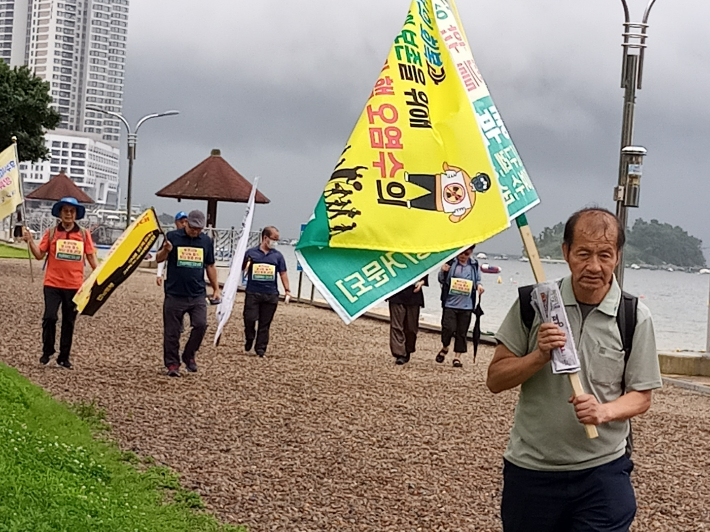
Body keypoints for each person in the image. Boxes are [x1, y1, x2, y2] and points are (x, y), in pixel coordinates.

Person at [487, 207, 662, 532]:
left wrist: (604, 412)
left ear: (618, 257)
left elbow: (641, 396)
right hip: (532, 470)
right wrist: (538, 356)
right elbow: (495, 379)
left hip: (603, 471)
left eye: (604, 255)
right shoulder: (534, 304)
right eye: (583, 253)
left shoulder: (634, 316)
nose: (594, 266)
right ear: (566, 252)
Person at [22, 197, 98, 369]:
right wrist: (30, 241)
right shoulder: (51, 233)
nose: (69, 214)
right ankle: (47, 350)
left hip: (75, 286)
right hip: (52, 284)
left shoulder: (84, 234)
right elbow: (39, 255)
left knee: (69, 322)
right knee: (49, 317)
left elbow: (91, 257)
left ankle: (64, 357)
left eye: (72, 211)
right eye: (65, 211)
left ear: (76, 214)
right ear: (60, 213)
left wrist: (99, 276)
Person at [155, 210, 221, 377]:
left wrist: (216, 289)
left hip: (197, 293)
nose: (195, 231)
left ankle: (189, 354)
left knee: (201, 324)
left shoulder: (206, 241)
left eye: (198, 229)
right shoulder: (172, 236)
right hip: (174, 293)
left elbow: (210, 266)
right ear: (186, 224)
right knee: (172, 331)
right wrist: (166, 250)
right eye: (192, 228)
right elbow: (158, 259)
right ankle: (172, 364)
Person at [242, 226, 290, 357]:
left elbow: (283, 273)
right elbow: (241, 268)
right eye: (274, 239)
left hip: (271, 294)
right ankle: (249, 336)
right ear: (265, 238)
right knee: (249, 318)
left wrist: (287, 290)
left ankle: (261, 348)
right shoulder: (251, 253)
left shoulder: (278, 256)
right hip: (253, 292)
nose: (275, 242)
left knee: (265, 323)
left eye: (277, 240)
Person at [435, 246, 483, 368]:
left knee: (462, 332)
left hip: (466, 304)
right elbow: (441, 280)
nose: (463, 256)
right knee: (448, 328)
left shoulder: (474, 264)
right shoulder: (451, 262)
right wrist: (443, 271)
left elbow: (477, 280)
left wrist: (479, 287)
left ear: (471, 252)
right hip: (450, 302)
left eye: (466, 253)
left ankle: (457, 357)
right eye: (461, 253)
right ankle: (445, 347)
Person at [387, 276, 427, 365]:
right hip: (396, 293)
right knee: (396, 325)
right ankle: (399, 353)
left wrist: (422, 282)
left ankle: (408, 349)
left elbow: (425, 267)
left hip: (414, 294)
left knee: (411, 328)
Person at [156, 211, 188, 286]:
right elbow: (162, 256)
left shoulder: (192, 238)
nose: (184, 224)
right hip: (173, 277)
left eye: (186, 222)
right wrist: (159, 274)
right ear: (176, 222)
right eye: (181, 222)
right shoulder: (170, 237)